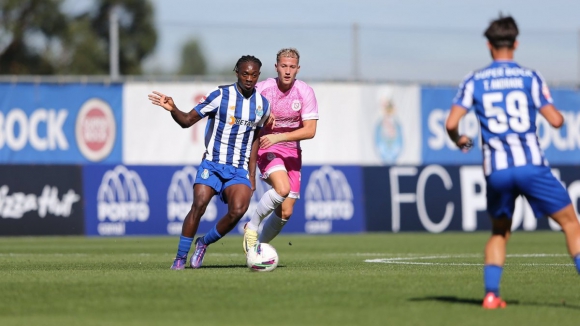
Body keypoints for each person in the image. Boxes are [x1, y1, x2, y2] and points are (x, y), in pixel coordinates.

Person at [446, 15, 580, 309]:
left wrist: (459, 140)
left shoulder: (474, 79)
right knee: (571, 224)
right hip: (531, 166)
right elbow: (556, 120)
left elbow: (451, 122)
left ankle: (491, 295)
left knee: (499, 232)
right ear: (516, 44)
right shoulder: (530, 77)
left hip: (497, 171)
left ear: (489, 46)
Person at [148, 55, 270, 269]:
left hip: (238, 170)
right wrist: (173, 108)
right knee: (199, 205)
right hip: (212, 165)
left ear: (258, 76)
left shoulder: (263, 105)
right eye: (245, 73)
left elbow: (255, 140)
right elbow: (187, 121)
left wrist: (251, 175)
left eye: (253, 74)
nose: (249, 78)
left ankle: (204, 243)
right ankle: (179, 258)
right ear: (237, 73)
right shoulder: (220, 95)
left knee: (238, 211)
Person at [242, 48, 319, 253]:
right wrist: (262, 114)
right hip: (268, 147)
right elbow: (242, 103)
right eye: (283, 66)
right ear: (276, 67)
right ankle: (252, 226)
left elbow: (310, 130)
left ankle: (259, 250)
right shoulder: (264, 89)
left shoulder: (305, 92)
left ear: (298, 69)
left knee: (286, 211)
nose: (287, 71)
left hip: (292, 152)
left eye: (292, 67)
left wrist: (281, 136)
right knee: (282, 189)